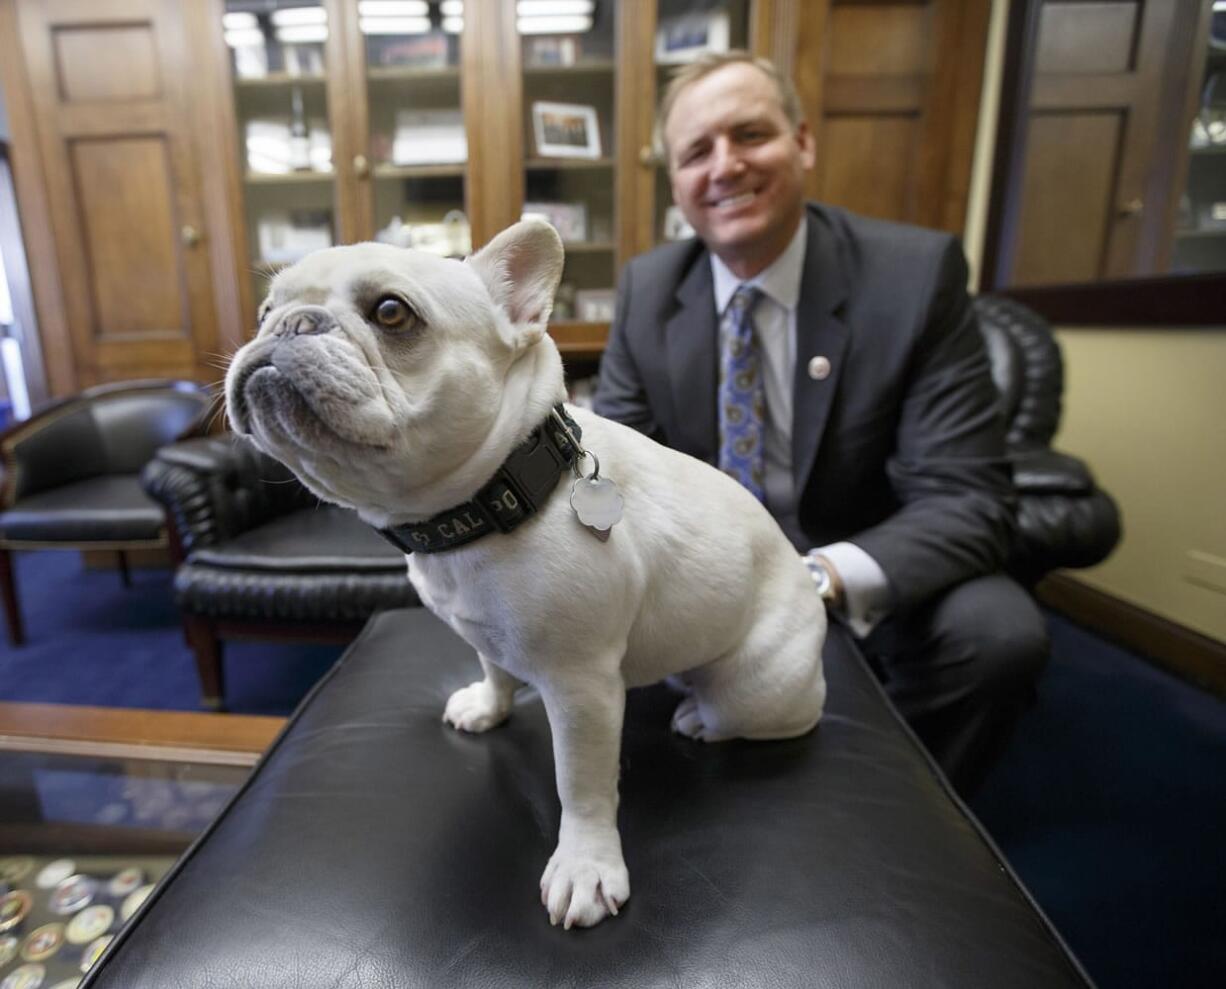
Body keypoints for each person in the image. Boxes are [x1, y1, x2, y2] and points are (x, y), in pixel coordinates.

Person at [593, 51, 1048, 796]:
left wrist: (813, 580)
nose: (725, 166)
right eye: (697, 152)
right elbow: (609, 477)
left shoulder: (914, 275)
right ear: (675, 182)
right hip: (704, 577)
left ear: (803, 142)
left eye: (750, 135)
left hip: (857, 557)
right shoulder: (648, 290)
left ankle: (900, 805)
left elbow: (970, 499)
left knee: (998, 636)